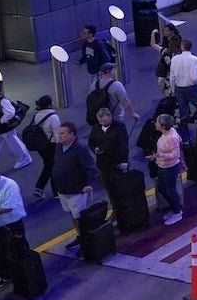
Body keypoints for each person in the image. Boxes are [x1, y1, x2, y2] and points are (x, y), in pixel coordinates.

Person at [51, 122, 101, 255]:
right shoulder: (59, 147)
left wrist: (89, 184)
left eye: (62, 133)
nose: (59, 136)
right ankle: (81, 236)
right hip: (63, 190)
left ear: (72, 134)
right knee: (73, 215)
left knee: (81, 218)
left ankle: (87, 243)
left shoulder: (80, 149)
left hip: (76, 191)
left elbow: (91, 168)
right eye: (59, 133)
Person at [146, 114, 184, 226]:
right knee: (161, 188)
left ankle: (177, 212)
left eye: (157, 122)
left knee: (170, 191)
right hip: (163, 166)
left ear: (163, 126)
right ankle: (174, 208)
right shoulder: (169, 132)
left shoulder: (170, 138)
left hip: (170, 167)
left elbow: (176, 155)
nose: (155, 124)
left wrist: (159, 155)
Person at [87, 107, 130, 193]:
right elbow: (91, 142)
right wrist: (94, 149)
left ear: (110, 116)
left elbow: (124, 144)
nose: (103, 123)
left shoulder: (119, 127)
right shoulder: (96, 128)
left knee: (120, 188)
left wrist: (124, 161)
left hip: (117, 163)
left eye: (105, 121)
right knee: (108, 188)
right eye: (100, 121)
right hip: (102, 164)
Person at [23, 97, 59, 198]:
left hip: (40, 144)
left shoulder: (37, 115)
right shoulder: (53, 117)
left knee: (48, 165)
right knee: (53, 166)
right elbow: (57, 134)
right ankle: (55, 191)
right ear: (49, 104)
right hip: (51, 145)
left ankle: (40, 188)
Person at [168, 39, 197, 122]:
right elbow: (195, 77)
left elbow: (172, 76)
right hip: (192, 88)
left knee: (183, 113)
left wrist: (173, 89)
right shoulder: (195, 59)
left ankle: (184, 129)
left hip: (179, 89)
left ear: (181, 47)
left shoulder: (174, 59)